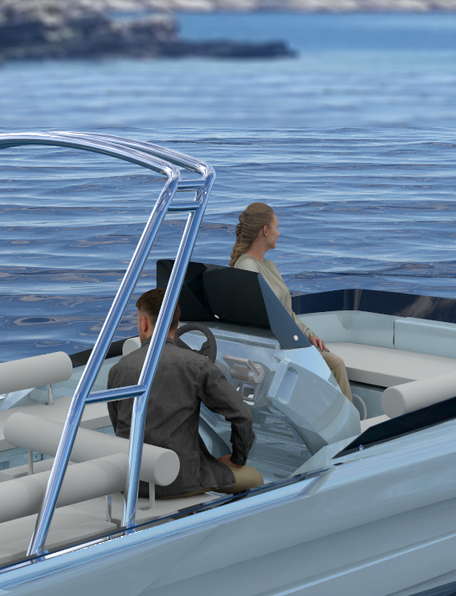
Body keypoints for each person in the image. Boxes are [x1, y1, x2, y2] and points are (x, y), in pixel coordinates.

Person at [108, 287, 265, 497]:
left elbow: (118, 422)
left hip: (131, 482)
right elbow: (242, 416)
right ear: (177, 324)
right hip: (182, 482)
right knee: (255, 478)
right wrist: (237, 458)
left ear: (143, 323)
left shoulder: (118, 369)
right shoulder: (198, 365)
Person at [228, 202, 355, 394]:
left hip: (289, 344)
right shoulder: (246, 267)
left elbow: (286, 313)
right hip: (274, 351)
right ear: (265, 230)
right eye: (276, 227)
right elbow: (259, 320)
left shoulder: (270, 266)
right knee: (335, 364)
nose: (279, 233)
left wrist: (309, 335)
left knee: (334, 363)